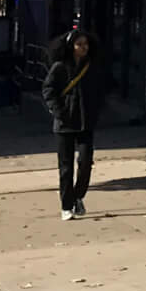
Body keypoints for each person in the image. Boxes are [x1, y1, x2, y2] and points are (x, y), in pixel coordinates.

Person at [45, 28, 99, 220]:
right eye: (79, 45)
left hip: (86, 123)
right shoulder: (60, 67)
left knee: (85, 163)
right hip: (65, 123)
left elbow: (99, 90)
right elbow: (48, 90)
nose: (83, 48)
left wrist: (96, 111)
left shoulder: (92, 66)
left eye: (85, 44)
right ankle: (66, 206)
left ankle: (78, 196)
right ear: (71, 47)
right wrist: (59, 112)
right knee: (66, 166)